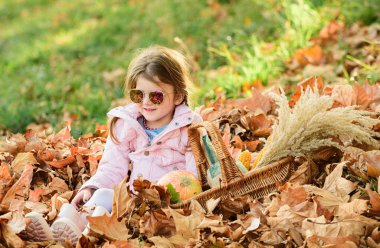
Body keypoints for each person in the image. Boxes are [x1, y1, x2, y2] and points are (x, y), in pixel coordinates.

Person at [23, 45, 202, 245]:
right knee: (101, 196)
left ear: (177, 95)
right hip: (132, 201)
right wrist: (92, 187)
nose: (146, 102)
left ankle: (83, 237)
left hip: (166, 209)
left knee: (105, 207)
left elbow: (195, 175)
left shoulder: (189, 129)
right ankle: (58, 230)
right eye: (138, 95)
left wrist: (183, 206)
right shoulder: (128, 125)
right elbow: (112, 167)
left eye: (156, 96)